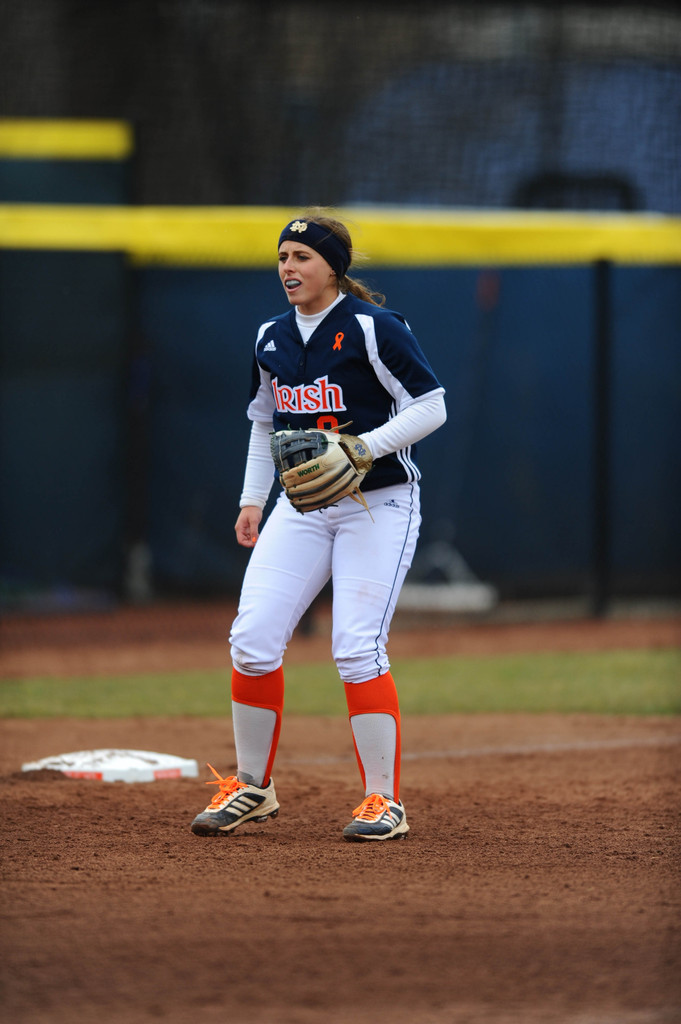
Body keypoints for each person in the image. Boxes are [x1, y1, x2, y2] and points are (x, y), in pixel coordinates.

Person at [190, 209, 446, 842]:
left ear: (333, 267)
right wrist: (253, 499)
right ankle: (253, 786)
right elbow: (263, 421)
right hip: (301, 506)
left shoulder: (372, 327)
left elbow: (431, 406)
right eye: (282, 256)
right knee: (252, 639)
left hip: (379, 503)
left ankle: (384, 801)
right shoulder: (270, 336)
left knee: (356, 648)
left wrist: (365, 447)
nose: (289, 267)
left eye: (302, 256)